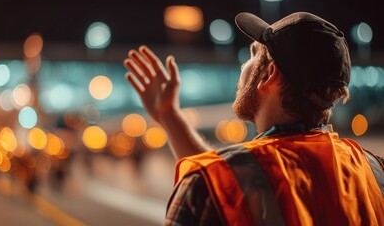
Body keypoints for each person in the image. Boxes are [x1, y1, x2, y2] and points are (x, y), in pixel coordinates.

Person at [123, 11, 384, 225]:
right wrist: (169, 116)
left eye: (253, 54)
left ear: (269, 75)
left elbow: (229, 186)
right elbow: (241, 178)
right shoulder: (374, 173)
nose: (242, 66)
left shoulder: (205, 186)